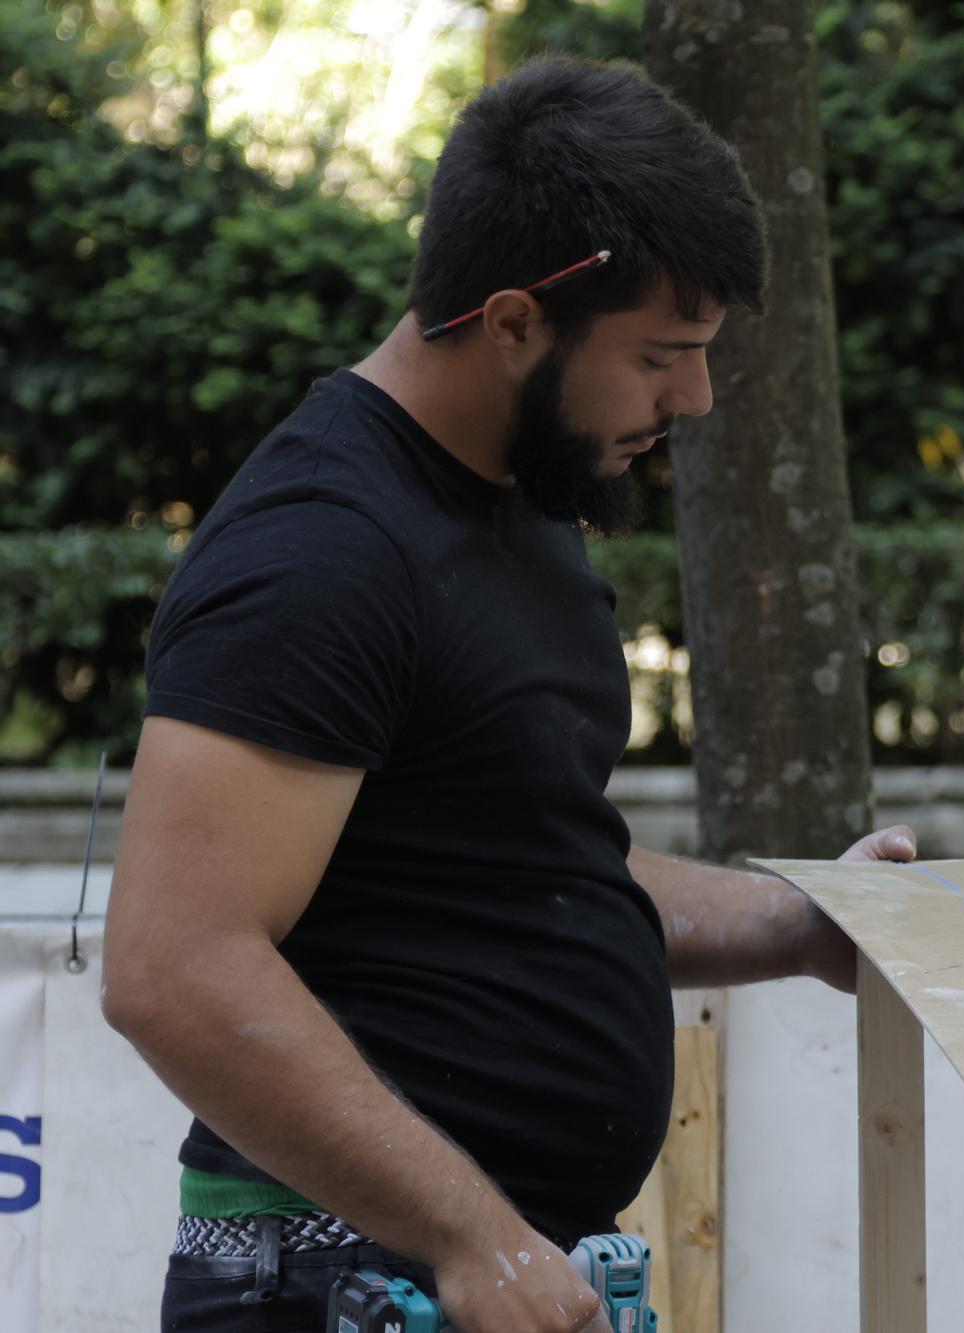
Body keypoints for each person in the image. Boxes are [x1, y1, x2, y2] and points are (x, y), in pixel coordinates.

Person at [100, 58, 912, 1333]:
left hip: (479, 1266)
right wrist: (471, 1235)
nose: (692, 399)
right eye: (660, 355)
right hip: (350, 1280)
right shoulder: (320, 546)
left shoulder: (514, 497)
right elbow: (171, 966)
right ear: (517, 319)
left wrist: (799, 923)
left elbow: (516, 859)